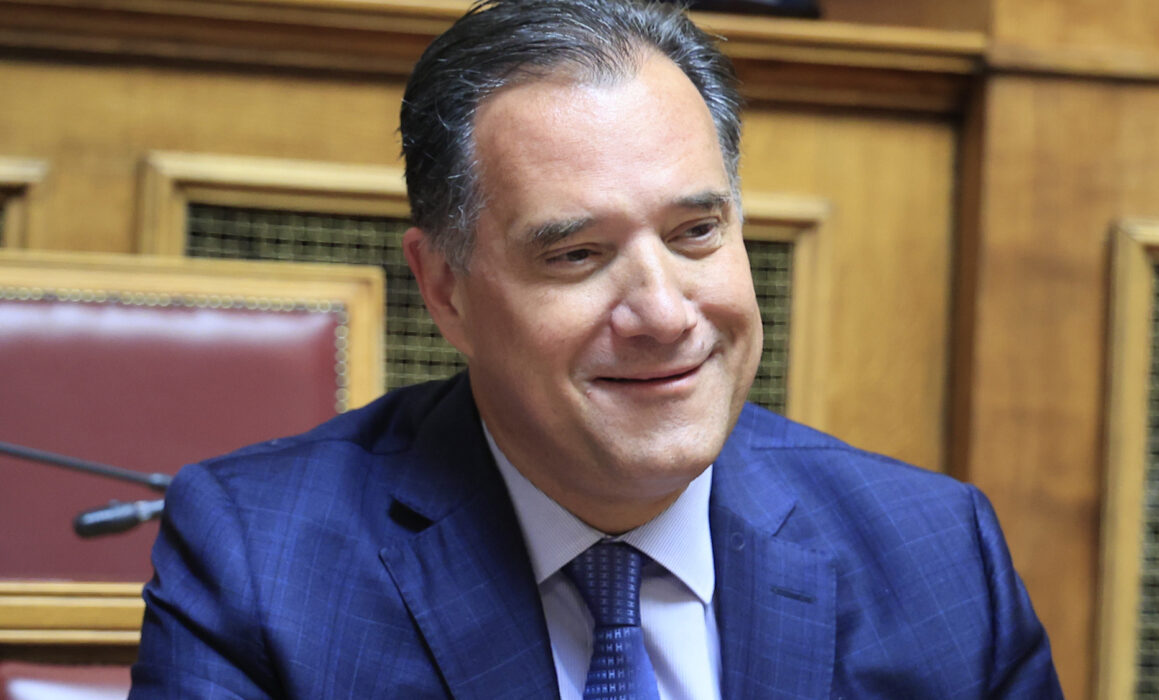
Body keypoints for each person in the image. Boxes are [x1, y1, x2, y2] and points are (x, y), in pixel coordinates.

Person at [130, 0, 1063, 697]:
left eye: (696, 233)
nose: (663, 313)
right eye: (576, 254)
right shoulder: (264, 561)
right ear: (445, 289)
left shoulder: (937, 558)